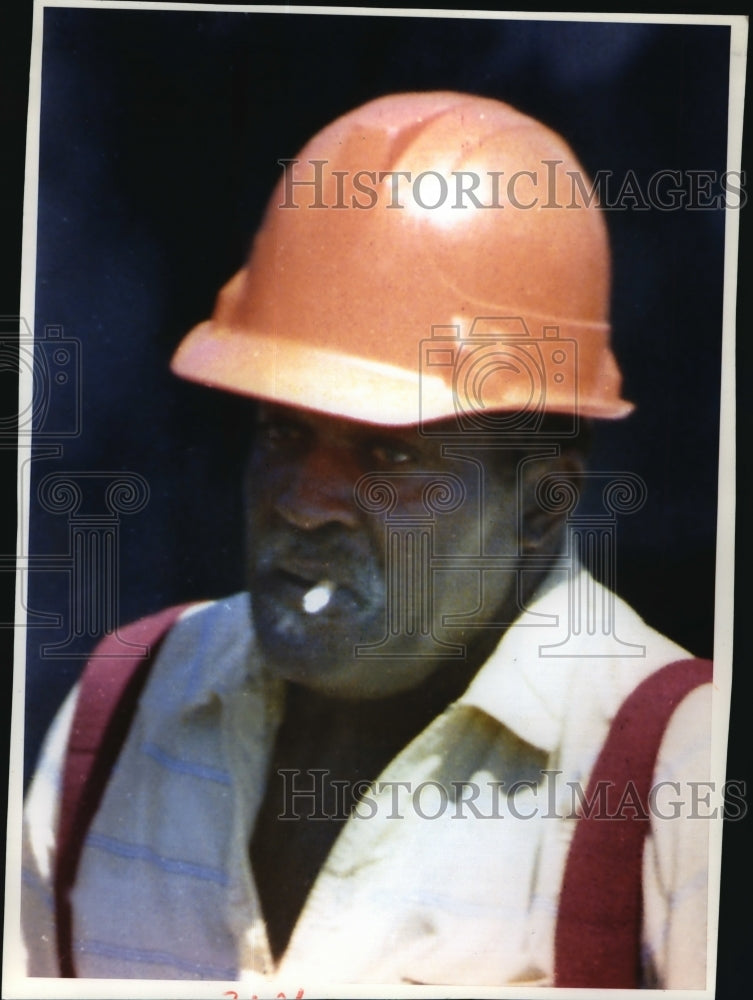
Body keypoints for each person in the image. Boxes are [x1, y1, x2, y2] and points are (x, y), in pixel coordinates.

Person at [21, 92, 712, 990]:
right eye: (282, 431)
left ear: (541, 501)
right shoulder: (123, 713)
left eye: (387, 452)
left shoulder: (676, 771)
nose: (305, 504)